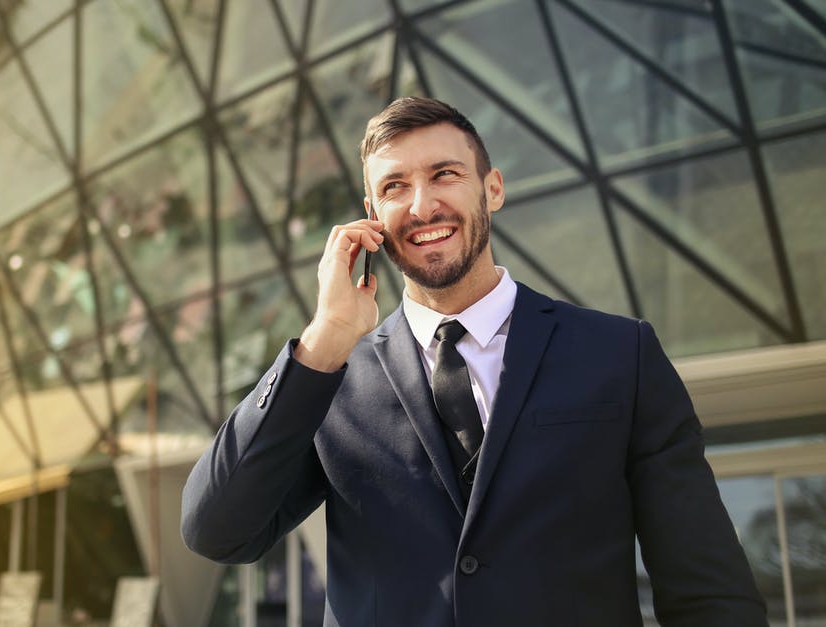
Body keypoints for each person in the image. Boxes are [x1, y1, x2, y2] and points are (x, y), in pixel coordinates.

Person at [181, 97, 767, 626]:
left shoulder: (619, 356)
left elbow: (707, 589)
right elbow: (217, 531)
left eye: (444, 175)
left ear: (492, 189)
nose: (421, 204)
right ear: (371, 217)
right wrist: (326, 337)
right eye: (394, 188)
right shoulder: (328, 379)